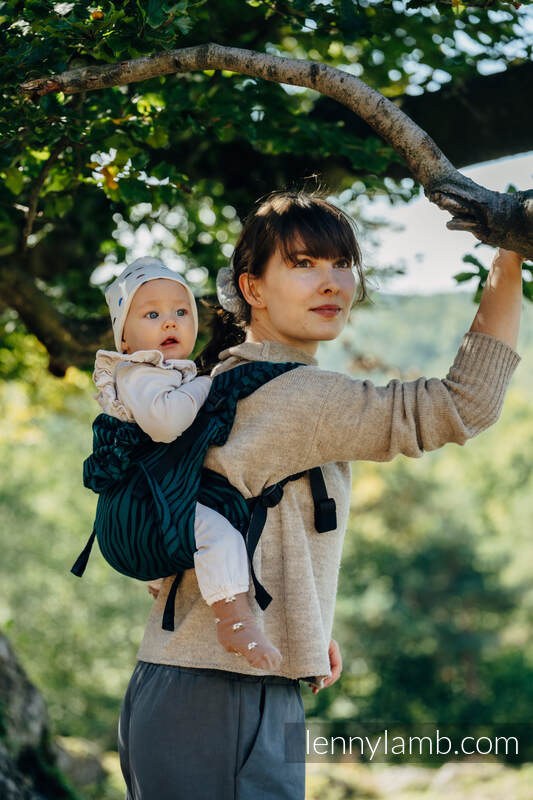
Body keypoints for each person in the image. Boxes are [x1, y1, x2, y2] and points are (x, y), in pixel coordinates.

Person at [117, 190, 523, 800]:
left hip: (185, 686)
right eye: (303, 264)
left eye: (341, 264)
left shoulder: (213, 381)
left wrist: (300, 617)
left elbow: (239, 512)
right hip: (227, 697)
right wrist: (510, 253)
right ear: (251, 288)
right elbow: (464, 405)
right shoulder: (300, 394)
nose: (331, 282)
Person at [92, 257, 282, 671]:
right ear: (123, 339)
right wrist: (204, 384)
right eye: (152, 314)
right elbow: (166, 424)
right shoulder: (136, 373)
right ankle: (233, 619)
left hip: (148, 495)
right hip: (142, 500)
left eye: (181, 312)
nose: (170, 323)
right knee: (218, 533)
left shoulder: (163, 371)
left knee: (205, 525)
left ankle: (162, 579)